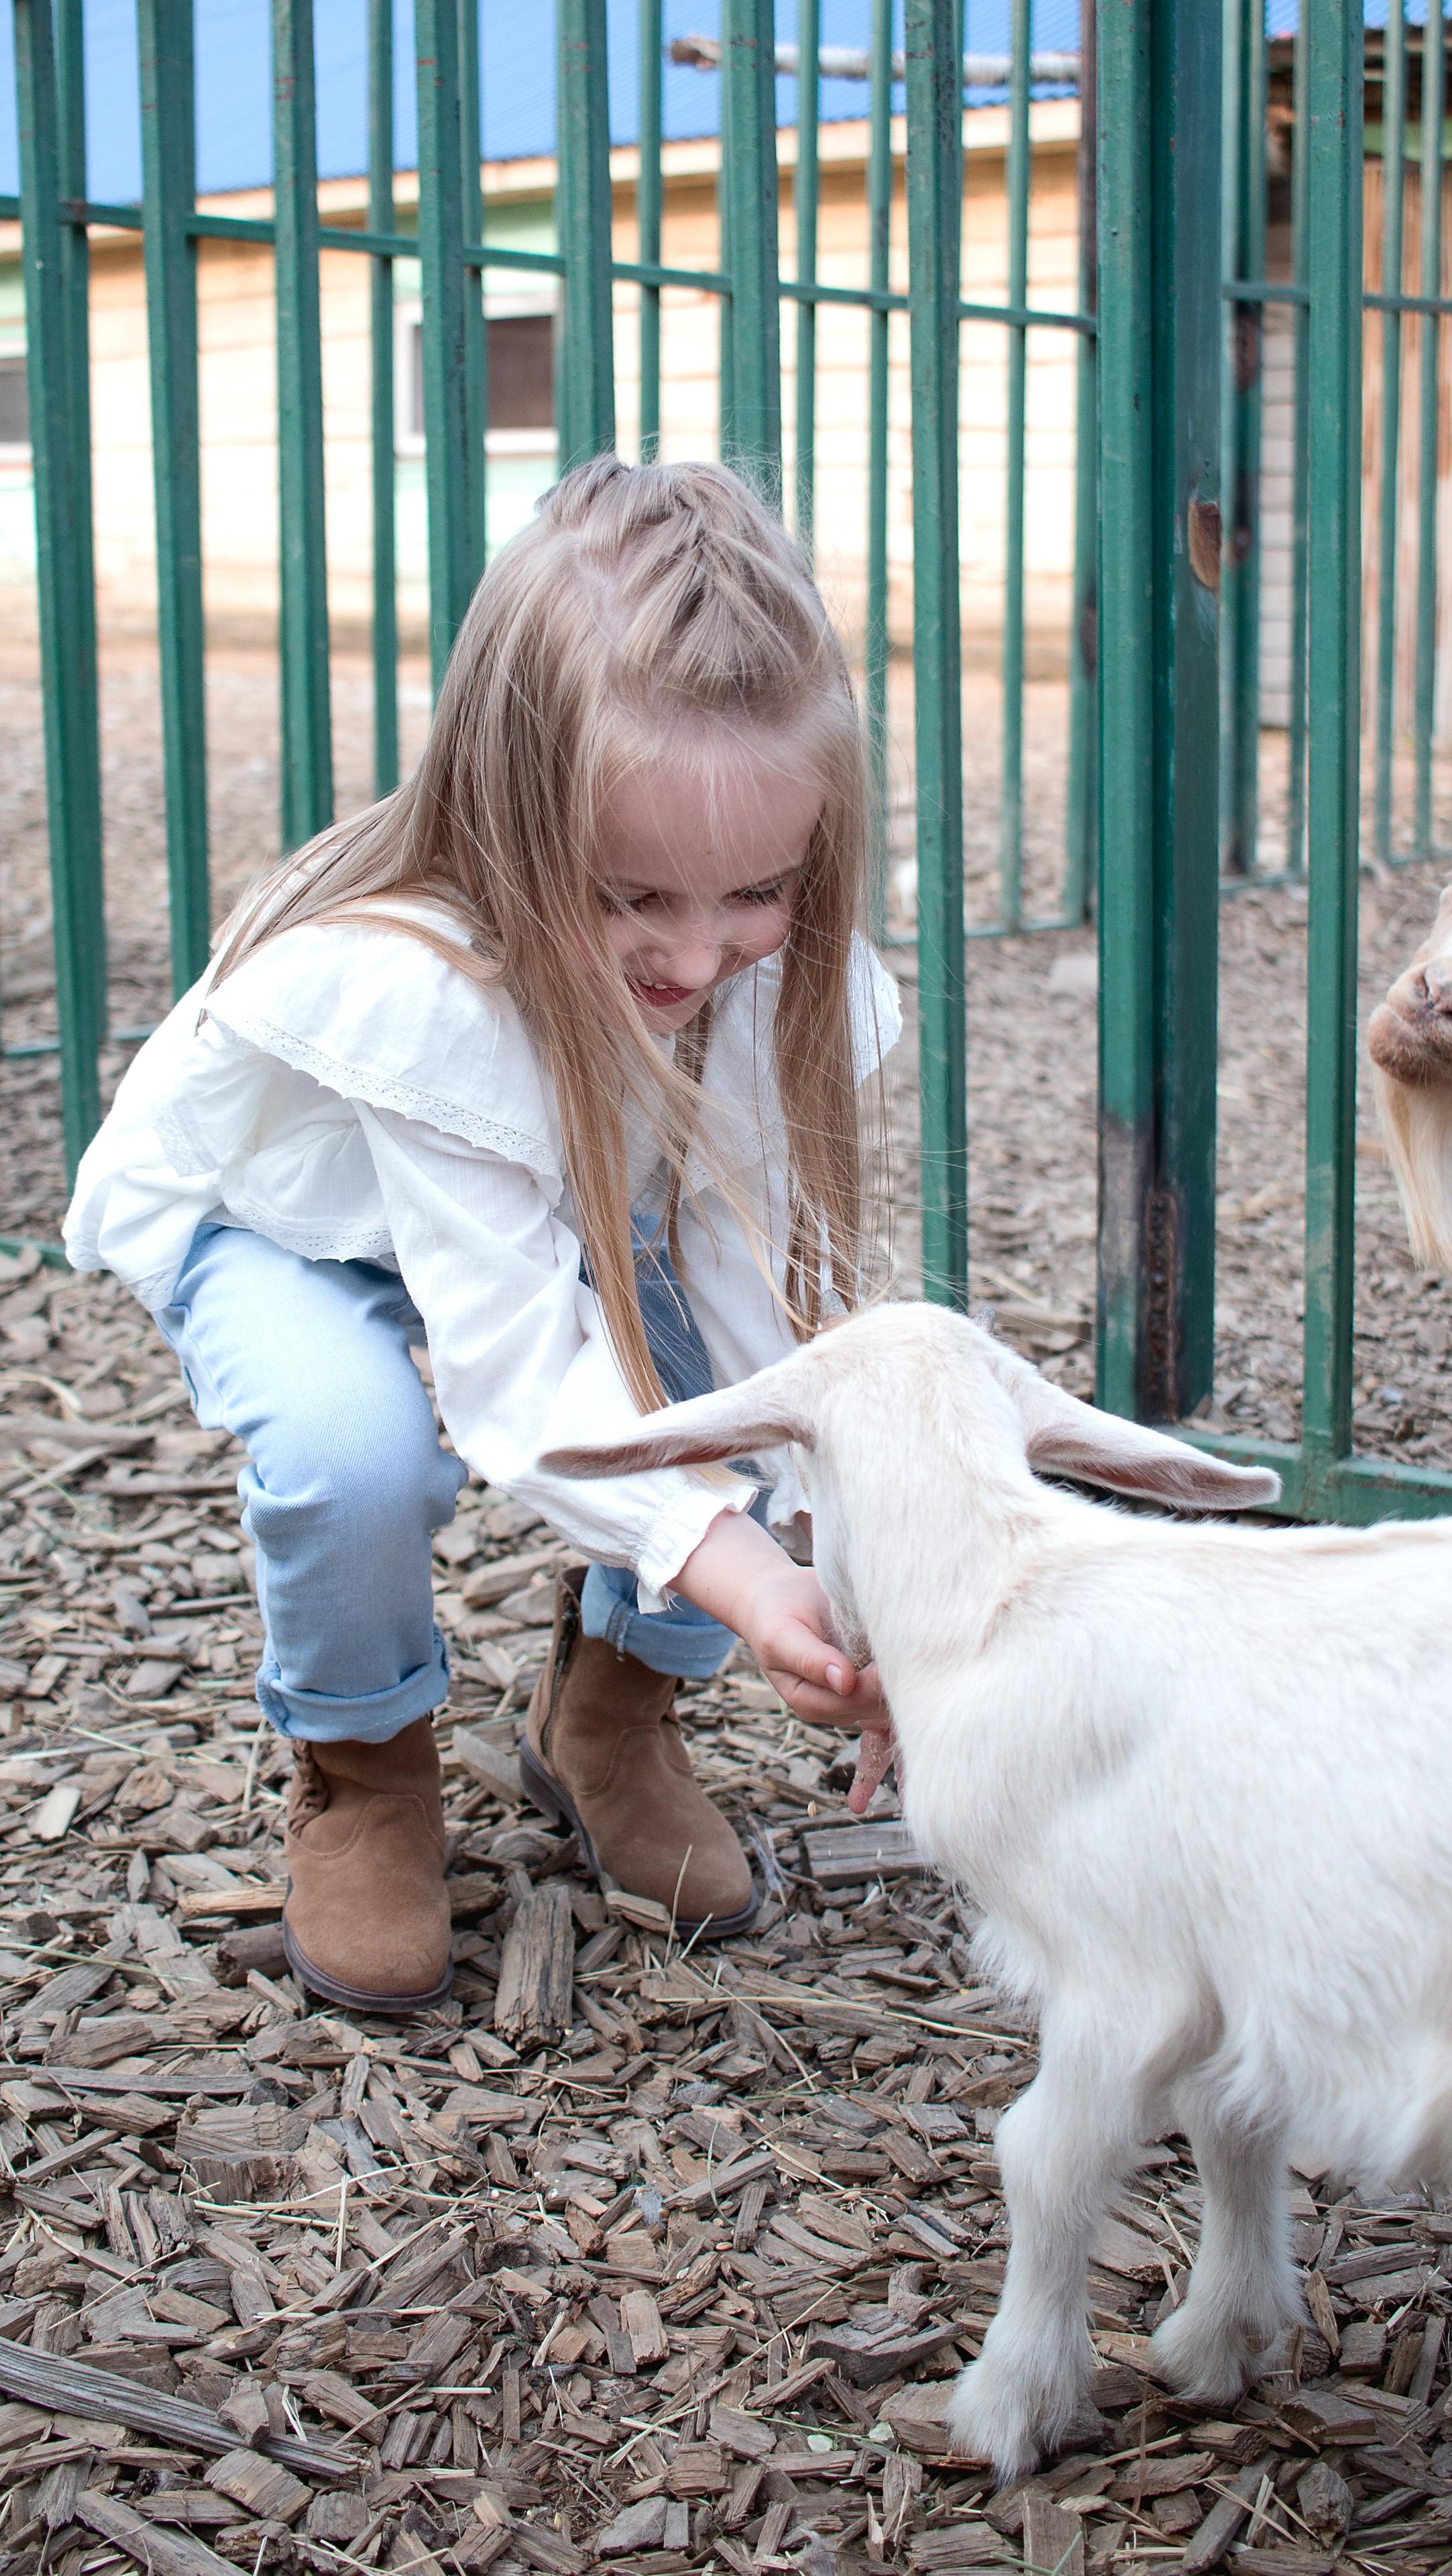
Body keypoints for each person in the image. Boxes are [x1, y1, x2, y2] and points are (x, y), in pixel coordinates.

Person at [65, 456, 895, 2015]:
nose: (697, 952)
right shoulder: (426, 984)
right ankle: (365, 1767)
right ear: (511, 820)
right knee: (351, 1448)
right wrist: (742, 1567)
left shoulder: (757, 976)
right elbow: (515, 1368)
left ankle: (608, 1720)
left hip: (563, 1196)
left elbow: (752, 1304)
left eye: (756, 891)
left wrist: (837, 1566)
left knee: (718, 1377)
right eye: (630, 893)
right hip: (293, 1227)